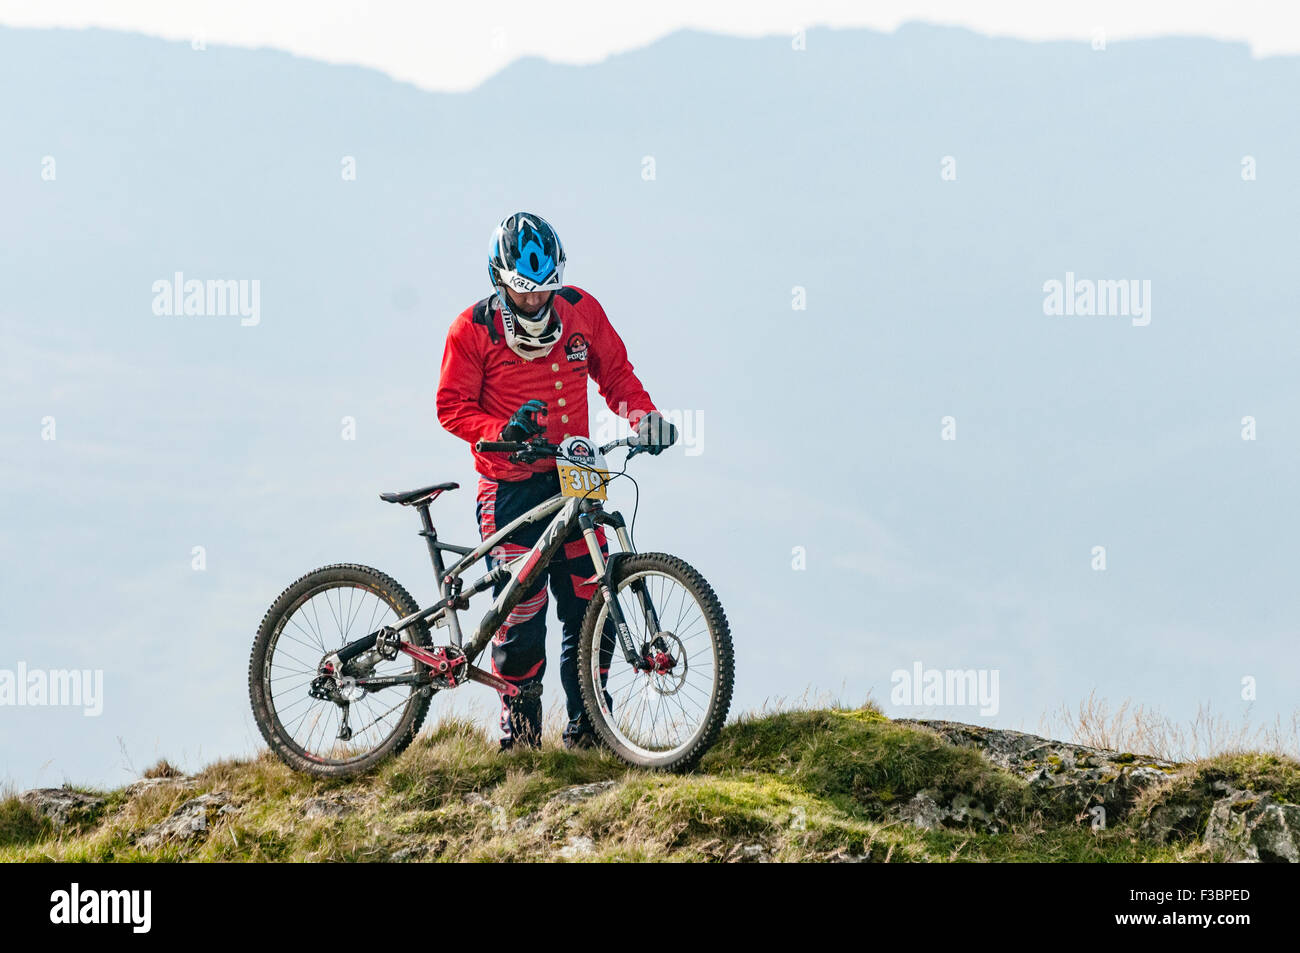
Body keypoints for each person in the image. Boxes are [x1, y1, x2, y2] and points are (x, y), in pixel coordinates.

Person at [436, 211, 677, 750]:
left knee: (595, 599)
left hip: (578, 471)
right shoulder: (470, 329)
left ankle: (590, 728)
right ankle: (519, 734)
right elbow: (450, 407)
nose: (535, 302)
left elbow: (615, 375)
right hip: (510, 483)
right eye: (523, 293)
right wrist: (501, 430)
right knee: (522, 612)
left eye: (544, 290)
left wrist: (645, 417)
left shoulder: (580, 310)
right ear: (500, 281)